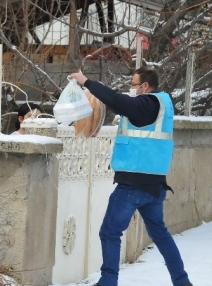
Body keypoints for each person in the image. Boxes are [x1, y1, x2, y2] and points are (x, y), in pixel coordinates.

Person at [69, 67, 192, 286]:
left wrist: (86, 81)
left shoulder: (146, 104)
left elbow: (119, 101)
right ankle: (182, 282)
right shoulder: (161, 104)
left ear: (145, 86)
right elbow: (118, 103)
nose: (131, 89)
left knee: (109, 232)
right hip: (154, 185)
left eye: (134, 84)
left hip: (133, 186)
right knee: (160, 235)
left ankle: (108, 282)